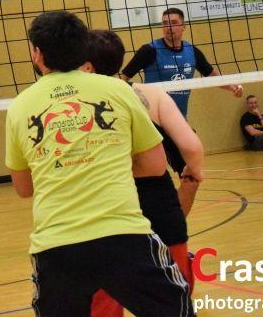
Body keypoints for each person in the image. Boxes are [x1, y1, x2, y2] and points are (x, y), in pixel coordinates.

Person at [5, 11, 193, 316]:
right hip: (124, 237)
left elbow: (24, 188)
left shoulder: (19, 107)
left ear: (37, 54)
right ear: (83, 48)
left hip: (56, 246)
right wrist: (104, 161)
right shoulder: (118, 90)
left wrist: (66, 166)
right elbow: (155, 166)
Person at [85, 29, 203, 317]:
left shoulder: (80, 103)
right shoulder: (151, 93)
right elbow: (191, 146)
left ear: (86, 65)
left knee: (104, 292)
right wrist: (192, 172)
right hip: (159, 198)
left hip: (110, 202)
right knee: (173, 297)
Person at [120, 6, 240, 212]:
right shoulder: (149, 50)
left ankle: (177, 223)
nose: (169, 27)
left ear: (183, 27)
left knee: (191, 177)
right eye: (165, 24)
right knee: (145, 179)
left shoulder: (192, 52)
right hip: (149, 124)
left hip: (177, 124)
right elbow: (122, 80)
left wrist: (232, 87)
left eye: (174, 23)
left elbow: (213, 77)